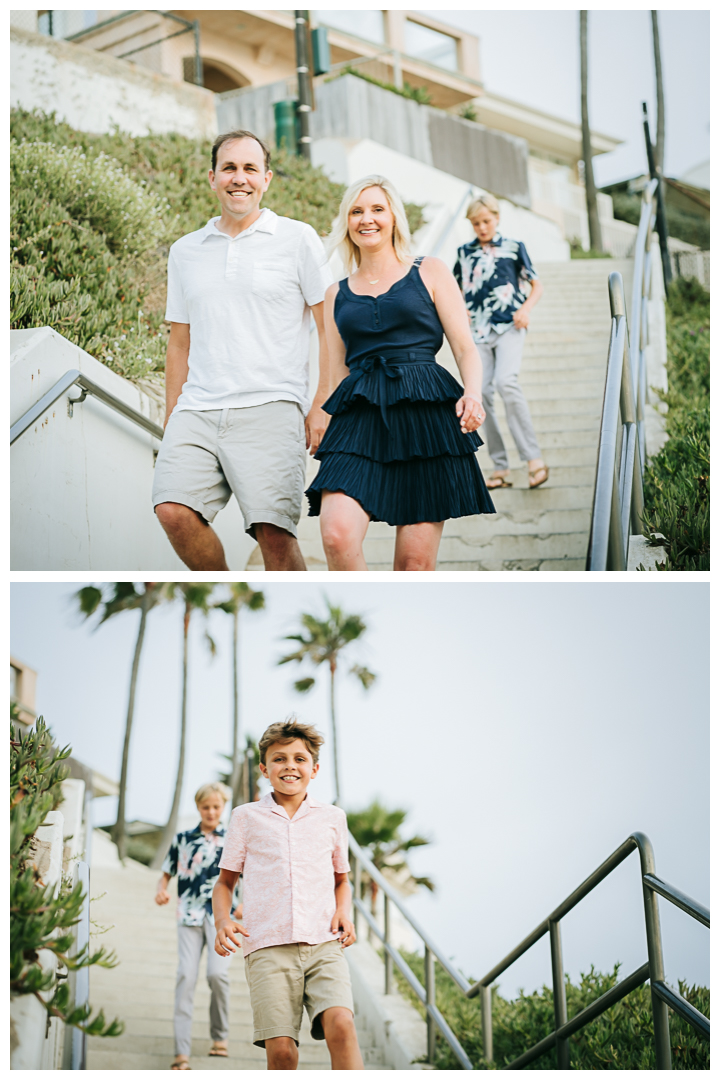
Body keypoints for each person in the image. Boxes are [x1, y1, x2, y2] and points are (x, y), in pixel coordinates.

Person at [152, 129, 334, 570]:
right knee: (173, 511)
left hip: (271, 405)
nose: (240, 178)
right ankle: (227, 594)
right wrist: (173, 412)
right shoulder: (186, 250)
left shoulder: (297, 238)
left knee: (273, 535)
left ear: (266, 179)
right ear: (212, 177)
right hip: (198, 409)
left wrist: (323, 404)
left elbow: (330, 329)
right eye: (229, 168)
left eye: (250, 168)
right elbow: (180, 341)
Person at [305, 175, 495, 571]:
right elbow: (334, 370)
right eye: (356, 211)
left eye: (377, 209)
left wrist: (472, 394)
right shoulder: (335, 294)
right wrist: (320, 412)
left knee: (413, 566)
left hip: (425, 416)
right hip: (358, 421)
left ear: (394, 217)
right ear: (347, 222)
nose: (366, 219)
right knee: (337, 535)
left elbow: (464, 347)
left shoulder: (431, 271)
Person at [213, 720, 363, 1071]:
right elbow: (224, 883)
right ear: (265, 769)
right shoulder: (246, 817)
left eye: (299, 759)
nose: (290, 766)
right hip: (268, 946)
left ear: (314, 768)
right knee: (281, 1053)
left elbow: (342, 879)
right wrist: (223, 920)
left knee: (341, 1024)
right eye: (279, 759)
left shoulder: (332, 818)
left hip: (323, 943)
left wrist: (344, 911)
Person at [454, 193, 549, 491]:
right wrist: (461, 310)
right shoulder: (463, 253)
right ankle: (500, 467)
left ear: (496, 218)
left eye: (486, 221)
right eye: (476, 223)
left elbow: (536, 284)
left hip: (509, 325)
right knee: (480, 392)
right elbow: (454, 289)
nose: (482, 227)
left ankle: (533, 459)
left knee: (507, 382)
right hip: (477, 332)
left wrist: (525, 310)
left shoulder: (514, 247)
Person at [155, 782, 242, 1070]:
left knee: (218, 976)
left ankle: (221, 1036)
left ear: (223, 808)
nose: (211, 812)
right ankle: (181, 1053)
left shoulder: (232, 838)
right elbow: (166, 872)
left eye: (217, 807)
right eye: (206, 807)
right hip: (188, 916)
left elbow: (243, 876)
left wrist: (243, 903)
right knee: (186, 977)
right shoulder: (183, 838)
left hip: (222, 918)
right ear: (198, 808)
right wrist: (162, 890)